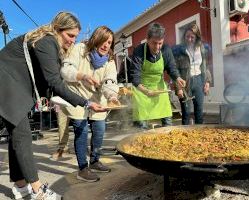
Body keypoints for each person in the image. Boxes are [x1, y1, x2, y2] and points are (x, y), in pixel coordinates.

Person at [0, 12, 106, 200]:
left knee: (17, 135)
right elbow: (55, 82)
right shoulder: (47, 41)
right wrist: (87, 102)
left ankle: (20, 186)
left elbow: (51, 86)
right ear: (58, 29)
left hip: (11, 85)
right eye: (70, 35)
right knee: (22, 135)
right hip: (6, 82)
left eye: (75, 36)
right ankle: (37, 190)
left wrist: (82, 102)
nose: (73, 41)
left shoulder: (50, 45)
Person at [61, 26, 120, 182]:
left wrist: (112, 96)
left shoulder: (110, 60)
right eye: (105, 41)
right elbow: (66, 70)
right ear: (97, 38)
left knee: (99, 130)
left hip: (98, 99)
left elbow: (110, 81)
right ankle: (83, 168)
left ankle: (94, 161)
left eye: (110, 42)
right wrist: (82, 76)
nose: (107, 45)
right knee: (81, 130)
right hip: (78, 97)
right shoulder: (80, 49)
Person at [130, 22, 185, 129]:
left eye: (160, 43)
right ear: (147, 39)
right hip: (142, 91)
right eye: (154, 43)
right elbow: (135, 78)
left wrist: (177, 78)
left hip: (159, 89)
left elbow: (171, 68)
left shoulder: (166, 50)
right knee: (142, 126)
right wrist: (146, 91)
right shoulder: (139, 51)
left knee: (168, 122)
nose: (157, 47)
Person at [172, 23, 212, 125]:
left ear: (197, 37)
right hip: (185, 82)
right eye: (187, 36)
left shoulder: (202, 48)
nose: (189, 39)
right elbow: (175, 70)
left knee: (199, 111)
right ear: (184, 36)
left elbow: (205, 66)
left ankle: (199, 136)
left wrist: (207, 82)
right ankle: (185, 138)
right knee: (186, 113)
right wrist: (178, 88)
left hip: (199, 81)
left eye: (192, 37)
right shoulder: (178, 50)